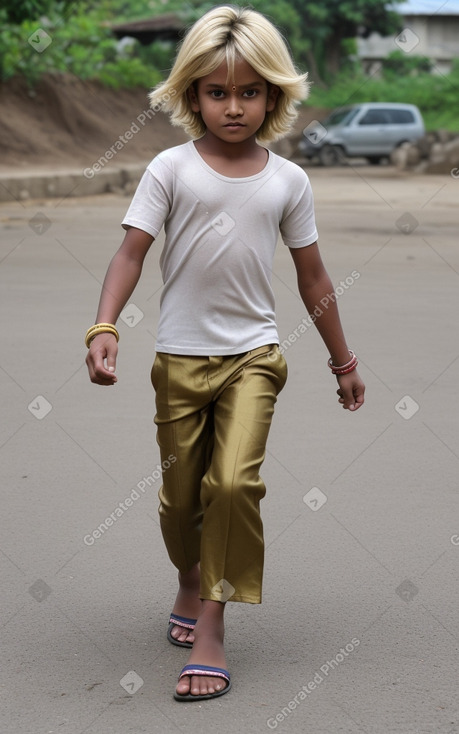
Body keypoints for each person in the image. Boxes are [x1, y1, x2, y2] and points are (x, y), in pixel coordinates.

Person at [85, 4, 365, 702]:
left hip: (253, 359)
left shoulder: (286, 181)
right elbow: (129, 254)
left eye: (249, 92)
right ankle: (188, 575)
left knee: (233, 486)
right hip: (179, 359)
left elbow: (312, 277)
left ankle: (212, 620)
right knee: (181, 502)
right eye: (217, 92)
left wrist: (343, 361)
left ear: (273, 95)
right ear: (191, 94)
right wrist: (104, 328)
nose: (233, 107)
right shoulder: (169, 169)